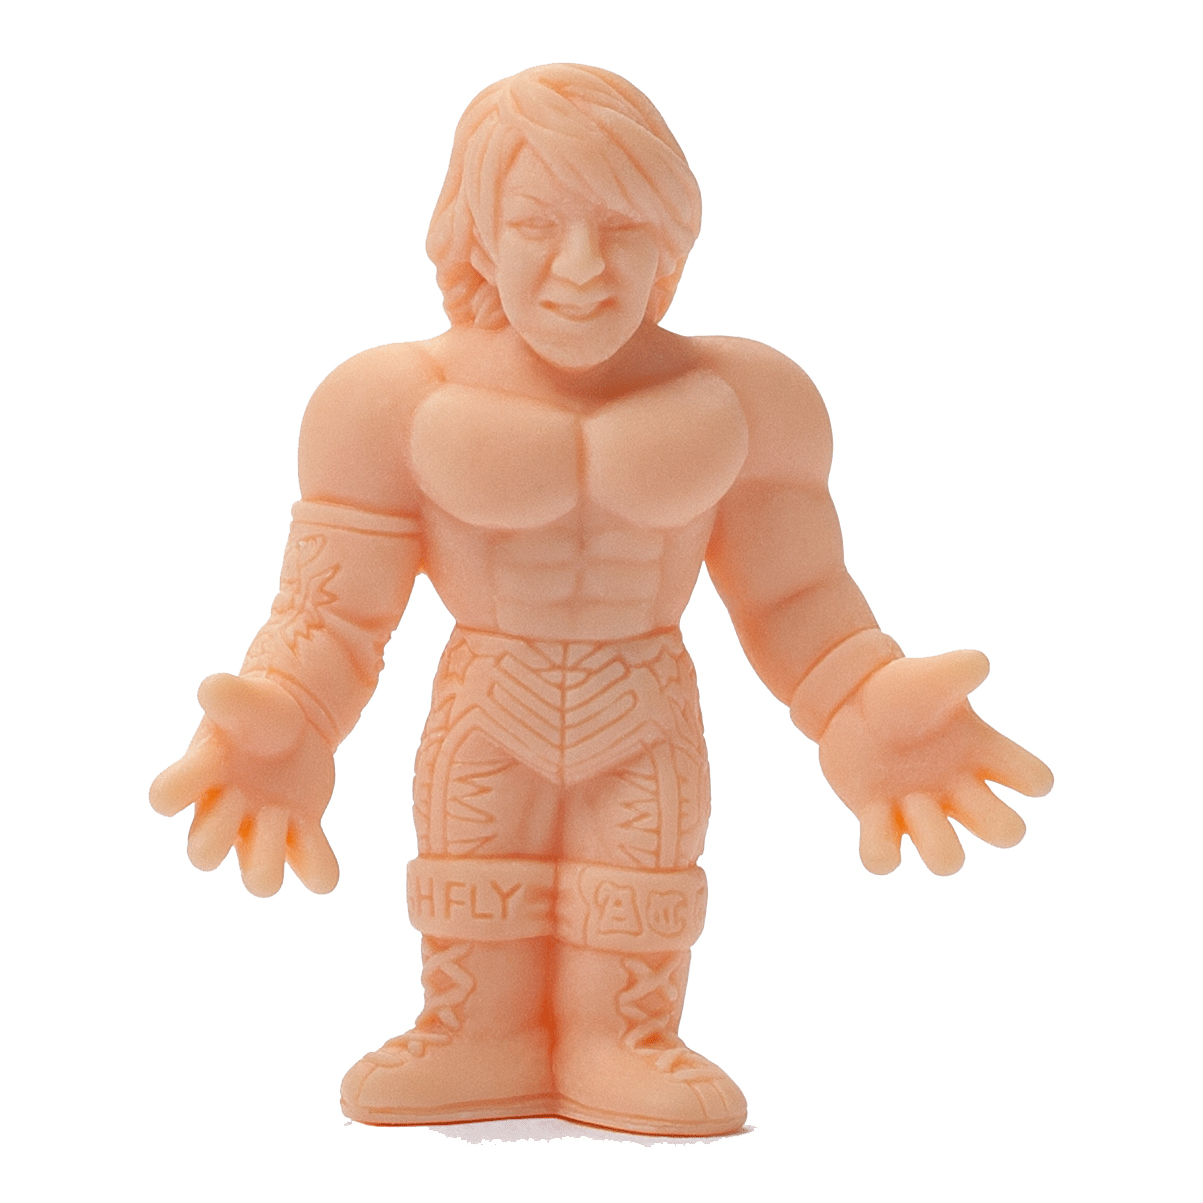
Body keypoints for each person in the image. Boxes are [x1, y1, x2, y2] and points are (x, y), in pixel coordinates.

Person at [150, 64, 1052, 1137]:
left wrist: (863, 701)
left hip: (645, 697)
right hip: (489, 696)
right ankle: (472, 1035)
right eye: (537, 223)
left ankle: (623, 1040)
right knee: (472, 874)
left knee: (639, 883)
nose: (580, 267)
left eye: (621, 227)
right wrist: (286, 714)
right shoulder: (386, 400)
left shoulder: (748, 396)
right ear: (477, 232)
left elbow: (796, 593)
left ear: (671, 237)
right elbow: (332, 612)